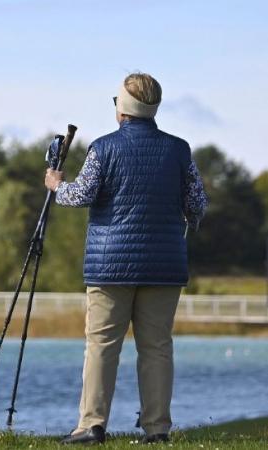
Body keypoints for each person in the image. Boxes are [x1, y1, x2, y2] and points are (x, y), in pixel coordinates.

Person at [45, 72, 208, 445]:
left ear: (122, 108)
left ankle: (92, 425)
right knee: (157, 347)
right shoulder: (179, 150)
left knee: (102, 345)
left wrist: (56, 186)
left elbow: (80, 196)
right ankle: (157, 429)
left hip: (109, 264)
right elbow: (197, 204)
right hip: (164, 266)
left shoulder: (103, 148)